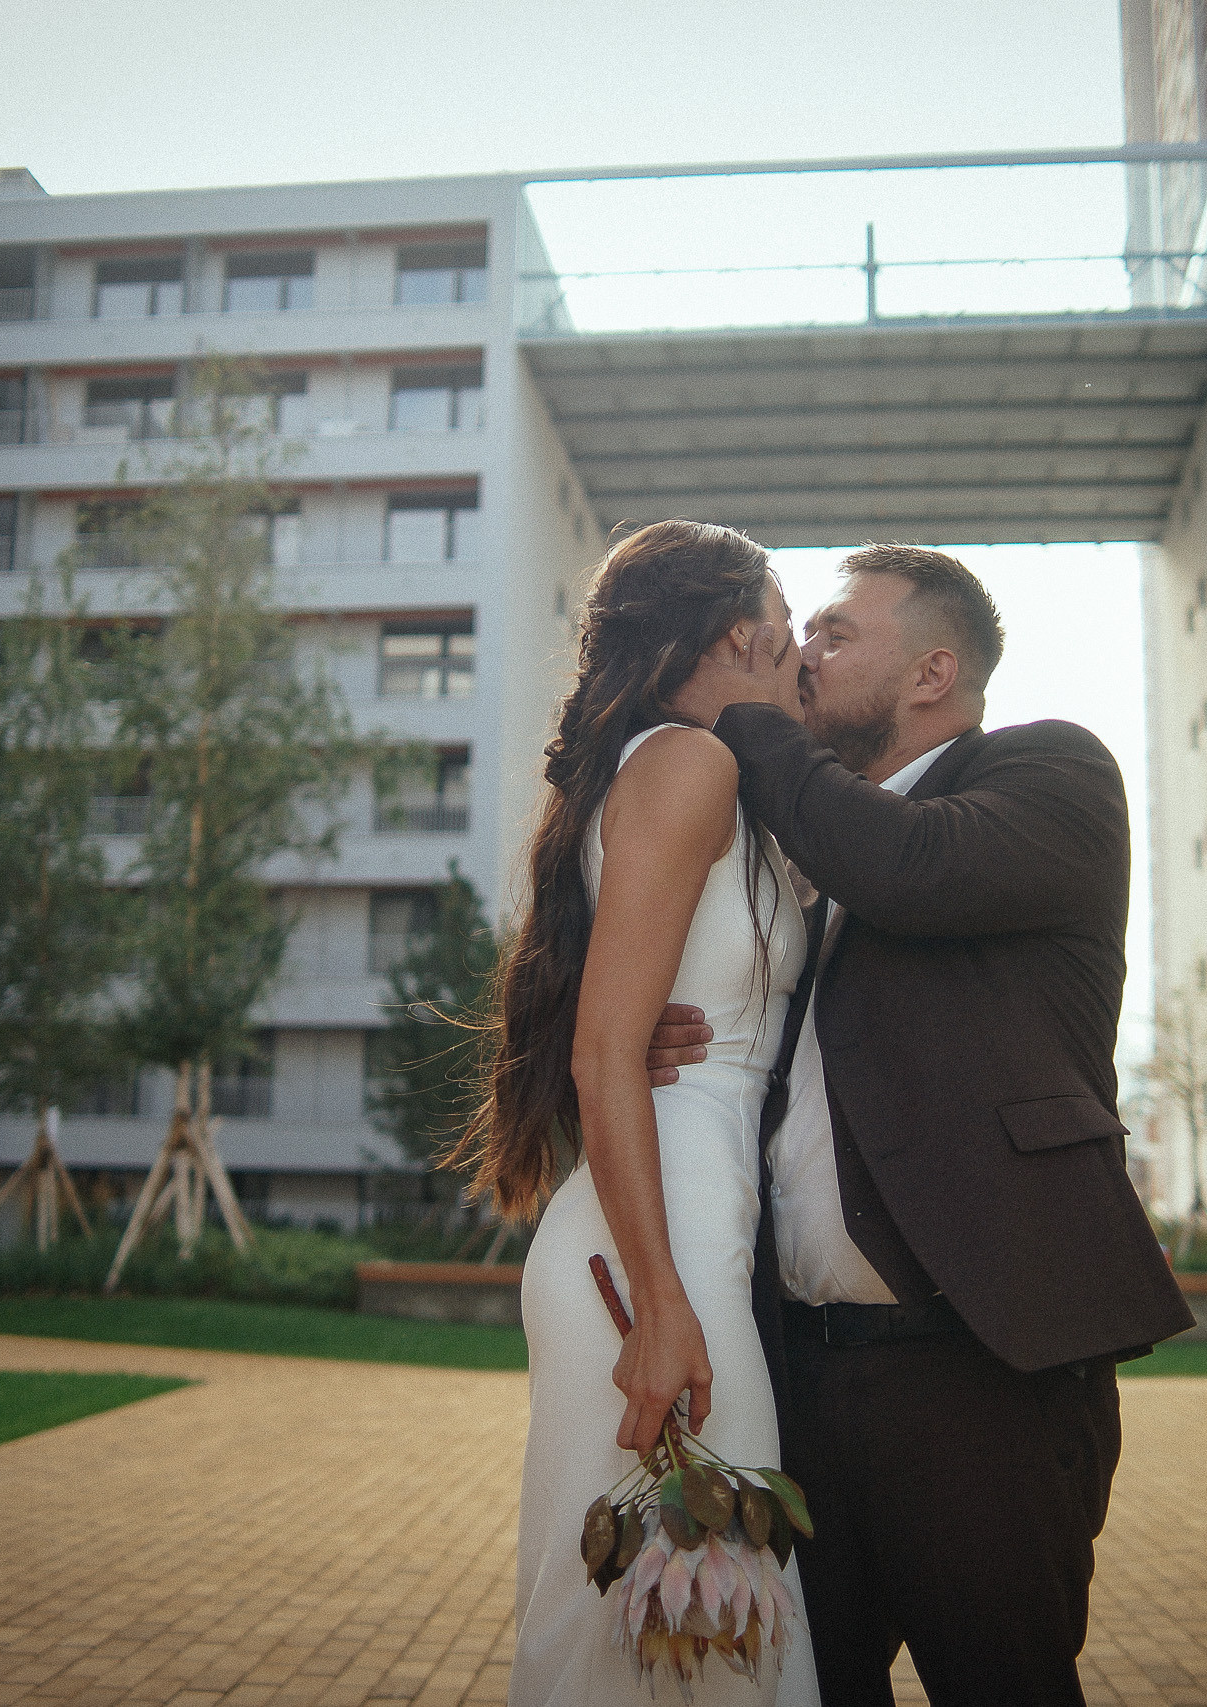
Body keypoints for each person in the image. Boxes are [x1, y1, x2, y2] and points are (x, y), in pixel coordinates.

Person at [663, 544, 1198, 1707]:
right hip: (798, 1378)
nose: (799, 656)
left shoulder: (1049, 775)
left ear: (932, 674)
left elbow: (910, 867)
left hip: (980, 1382)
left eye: (835, 634)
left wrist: (751, 726)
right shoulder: (808, 854)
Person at [456, 521, 820, 1705]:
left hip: (683, 1216)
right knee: (670, 1637)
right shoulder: (689, 765)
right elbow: (606, 1048)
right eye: (782, 627)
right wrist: (663, 1308)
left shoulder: (705, 774)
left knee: (690, 1640)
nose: (798, 654)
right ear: (736, 635)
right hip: (650, 1256)